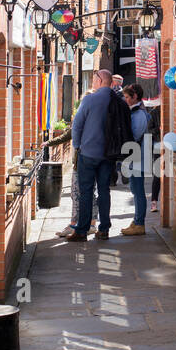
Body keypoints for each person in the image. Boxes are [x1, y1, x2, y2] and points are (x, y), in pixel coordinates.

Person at [66, 69, 115, 241]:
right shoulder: (118, 101)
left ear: (101, 81)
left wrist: (78, 146)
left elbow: (77, 126)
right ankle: (104, 229)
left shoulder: (89, 99)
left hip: (88, 154)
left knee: (86, 192)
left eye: (94, 79)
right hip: (108, 155)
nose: (92, 83)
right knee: (104, 191)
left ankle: (82, 231)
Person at [120, 85, 154, 235]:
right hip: (136, 157)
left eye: (127, 97)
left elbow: (134, 137)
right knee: (135, 189)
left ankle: (139, 223)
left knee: (138, 191)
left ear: (135, 97)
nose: (125, 100)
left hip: (138, 157)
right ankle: (136, 221)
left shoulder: (139, 114)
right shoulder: (136, 112)